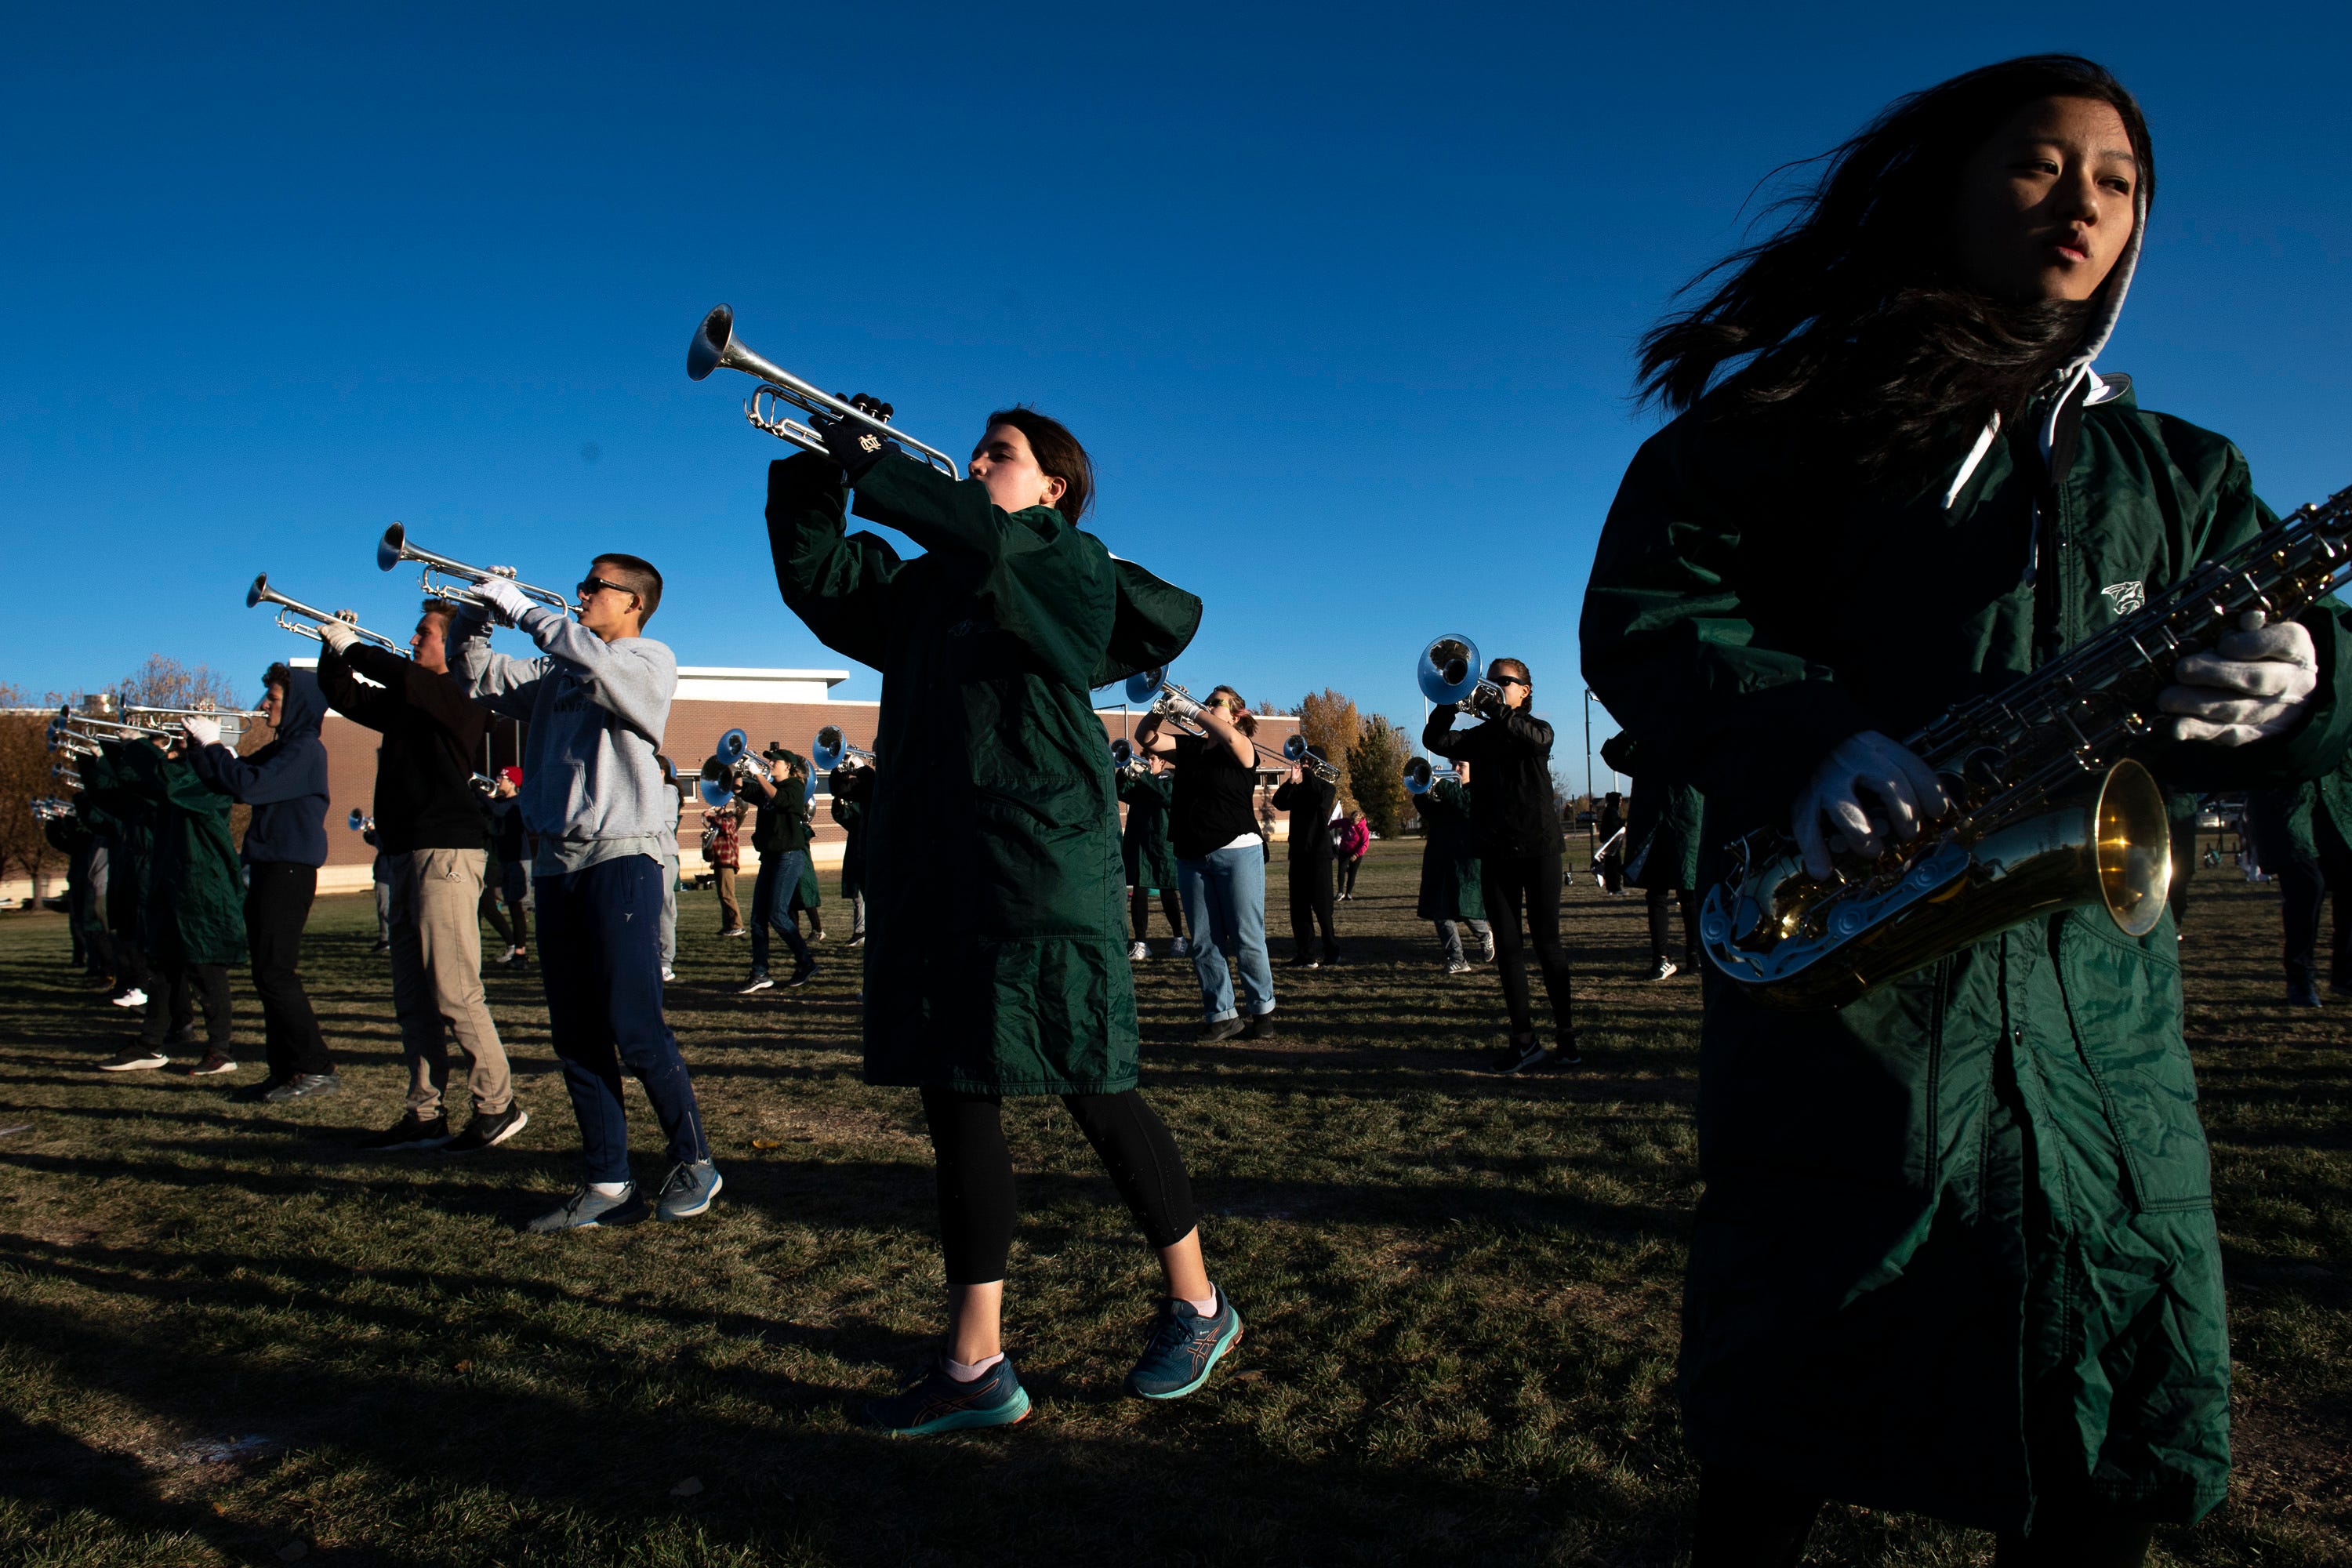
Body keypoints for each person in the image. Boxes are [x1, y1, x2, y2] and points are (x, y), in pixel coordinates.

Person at [1579, 56, 2352, 1566]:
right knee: (1773, 1450)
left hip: (2107, 1050)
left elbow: (2322, 716)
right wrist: (1807, 736)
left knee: (2099, 1456)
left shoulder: (2186, 472)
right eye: (2038, 166)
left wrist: (2311, 689)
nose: (2085, 204)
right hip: (1851, 1013)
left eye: (2119, 182)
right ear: (1949, 187)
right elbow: (1656, 606)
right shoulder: (1794, 417)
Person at [768, 399, 1240, 1433]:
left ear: (1053, 487)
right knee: (957, 1101)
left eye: (1002, 454)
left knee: (1091, 1081)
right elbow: (819, 579)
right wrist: (818, 466)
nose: (977, 460)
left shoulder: (1070, 562)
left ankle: (1199, 1303)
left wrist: (883, 471)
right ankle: (976, 1364)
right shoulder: (930, 585)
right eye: (975, 450)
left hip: (1041, 864)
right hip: (939, 868)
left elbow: (989, 538)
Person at [456, 554, 719, 1229]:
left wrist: (525, 609)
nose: (579, 593)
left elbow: (599, 668)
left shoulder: (649, 659)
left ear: (633, 602)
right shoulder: (554, 671)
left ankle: (696, 1160)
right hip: (557, 866)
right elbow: (477, 675)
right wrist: (479, 611)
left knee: (634, 1027)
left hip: (621, 860)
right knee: (575, 1033)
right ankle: (606, 1180)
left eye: (594, 586)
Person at [320, 603, 524, 1154]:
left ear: (450, 647)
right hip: (405, 852)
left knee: (455, 990)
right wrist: (330, 648)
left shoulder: (458, 697)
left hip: (448, 852)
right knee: (412, 994)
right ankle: (425, 1111)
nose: (413, 640)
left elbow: (401, 675)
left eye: (424, 633)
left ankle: (497, 1105)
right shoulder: (410, 703)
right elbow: (346, 696)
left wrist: (352, 646)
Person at [182, 666, 339, 1094]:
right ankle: (286, 1069)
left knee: (276, 974)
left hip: (288, 870)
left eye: (273, 697)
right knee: (268, 974)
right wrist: (199, 746)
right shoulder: (284, 748)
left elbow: (247, 785)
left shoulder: (305, 749)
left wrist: (214, 742)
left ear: (298, 705)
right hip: (272, 866)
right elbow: (227, 781)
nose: (264, 704)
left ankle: (316, 1067)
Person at [1424, 661, 1577, 1073]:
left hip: (1539, 846)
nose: (1492, 686)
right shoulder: (1482, 737)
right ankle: (1524, 1040)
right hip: (1495, 849)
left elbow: (1535, 740)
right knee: (1509, 948)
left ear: (1525, 690)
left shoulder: (1536, 728)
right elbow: (1435, 738)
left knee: (1548, 945)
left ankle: (1566, 1035)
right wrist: (1450, 701)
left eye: (1502, 681)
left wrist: (1499, 711)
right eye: (1487, 678)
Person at [88, 732, 244, 1075]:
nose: (176, 754)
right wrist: (107, 753)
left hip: (204, 888)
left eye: (186, 749)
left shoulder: (210, 785)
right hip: (175, 885)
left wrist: (136, 745)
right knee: (161, 969)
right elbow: (130, 791)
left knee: (207, 972)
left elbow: (172, 781)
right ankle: (150, 1044)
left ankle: (221, 1050)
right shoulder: (182, 785)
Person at [1138, 684, 1277, 1042]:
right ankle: (1222, 1015)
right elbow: (1146, 737)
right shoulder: (1192, 747)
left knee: (1247, 937)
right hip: (1191, 855)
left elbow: (1233, 744)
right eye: (1207, 700)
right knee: (1204, 941)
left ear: (1238, 714)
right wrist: (1163, 707)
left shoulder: (1244, 746)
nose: (1207, 705)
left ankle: (1262, 1011)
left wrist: (1191, 710)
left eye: (1216, 703)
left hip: (1238, 851)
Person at [2247, 758, 2352, 1006]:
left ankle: (2346, 974)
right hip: (2287, 807)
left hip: (2337, 805)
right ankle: (2300, 978)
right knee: (2307, 887)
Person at [1602, 734, 1703, 981]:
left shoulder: (1692, 731)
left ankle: (1696, 956)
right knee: (1657, 893)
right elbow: (1613, 754)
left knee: (1689, 891)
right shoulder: (1646, 733)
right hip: (1653, 822)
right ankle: (1662, 959)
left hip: (1685, 819)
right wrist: (1637, 726)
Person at [735, 746, 817, 993]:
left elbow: (780, 801)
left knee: (777, 914)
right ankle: (760, 972)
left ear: (789, 767)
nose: (771, 764)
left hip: (789, 857)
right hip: (770, 857)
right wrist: (735, 768)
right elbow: (739, 789)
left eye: (775, 762)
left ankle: (806, 961)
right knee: (757, 918)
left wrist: (758, 775)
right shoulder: (767, 788)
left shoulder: (794, 788)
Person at [1414, 759, 1490, 975]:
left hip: (1465, 860)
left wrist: (1442, 786)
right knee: (1440, 910)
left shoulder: (1480, 790)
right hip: (1440, 856)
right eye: (1453, 764)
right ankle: (1457, 958)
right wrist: (1424, 789)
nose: (1455, 769)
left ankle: (1484, 934)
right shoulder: (1448, 791)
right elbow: (1429, 812)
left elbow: (1467, 807)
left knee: (1466, 907)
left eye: (1461, 765)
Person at [1116, 751, 1187, 960]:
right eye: (1144, 758)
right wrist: (1123, 772)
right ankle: (1141, 942)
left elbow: (1166, 796)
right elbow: (1122, 792)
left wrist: (1143, 777)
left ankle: (1179, 938)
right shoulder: (1141, 781)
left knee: (1167, 891)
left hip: (1162, 843)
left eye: (1152, 759)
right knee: (1139, 891)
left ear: (1162, 761)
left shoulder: (1169, 780)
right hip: (1140, 843)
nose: (1147, 763)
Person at [1272, 752, 1340, 968]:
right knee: (1298, 907)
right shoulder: (1299, 787)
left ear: (1318, 765)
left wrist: (1309, 775)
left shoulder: (1326, 788)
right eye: (1303, 761)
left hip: (1319, 855)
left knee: (1322, 907)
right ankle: (1306, 954)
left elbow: (1320, 804)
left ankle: (1331, 951)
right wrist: (1291, 781)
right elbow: (1279, 803)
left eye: (1308, 762)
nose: (1303, 765)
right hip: (1298, 853)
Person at [486, 768, 531, 964]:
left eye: (501, 778)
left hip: (519, 858)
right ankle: (516, 949)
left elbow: (497, 811)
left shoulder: (516, 803)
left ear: (512, 782)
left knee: (518, 905)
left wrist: (480, 793)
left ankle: (520, 951)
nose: (497, 780)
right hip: (505, 859)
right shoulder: (501, 802)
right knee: (511, 905)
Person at [829, 757, 871, 944]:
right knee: (858, 894)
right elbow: (842, 815)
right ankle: (860, 930)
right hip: (858, 845)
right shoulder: (855, 791)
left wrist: (863, 770)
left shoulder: (871, 785)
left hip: (872, 845)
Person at [655, 753, 684, 983]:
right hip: (654, 856)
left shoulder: (667, 793)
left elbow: (658, 823)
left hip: (663, 855)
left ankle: (665, 962)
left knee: (664, 908)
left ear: (661, 772)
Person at [702, 797, 748, 937]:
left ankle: (737, 925)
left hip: (727, 862)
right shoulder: (717, 823)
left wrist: (710, 818)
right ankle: (728, 925)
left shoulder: (731, 819)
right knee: (723, 895)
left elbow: (726, 826)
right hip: (718, 862)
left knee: (728, 895)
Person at [1594, 791, 1627, 893]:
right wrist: (1624, 822)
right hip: (1612, 845)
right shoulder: (1611, 811)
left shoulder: (1611, 811)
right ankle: (1615, 888)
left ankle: (1611, 888)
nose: (1621, 803)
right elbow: (1615, 825)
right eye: (1620, 800)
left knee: (1610, 867)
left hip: (1611, 844)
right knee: (1615, 866)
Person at [1334, 811, 1369, 901]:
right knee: (1341, 871)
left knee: (1352, 873)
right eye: (1351, 820)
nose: (1351, 823)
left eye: (1353, 821)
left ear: (1359, 820)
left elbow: (1365, 844)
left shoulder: (1363, 828)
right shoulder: (1346, 822)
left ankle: (1348, 893)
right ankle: (1340, 892)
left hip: (1356, 854)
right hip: (1344, 851)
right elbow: (1334, 823)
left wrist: (1357, 854)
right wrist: (1327, 828)